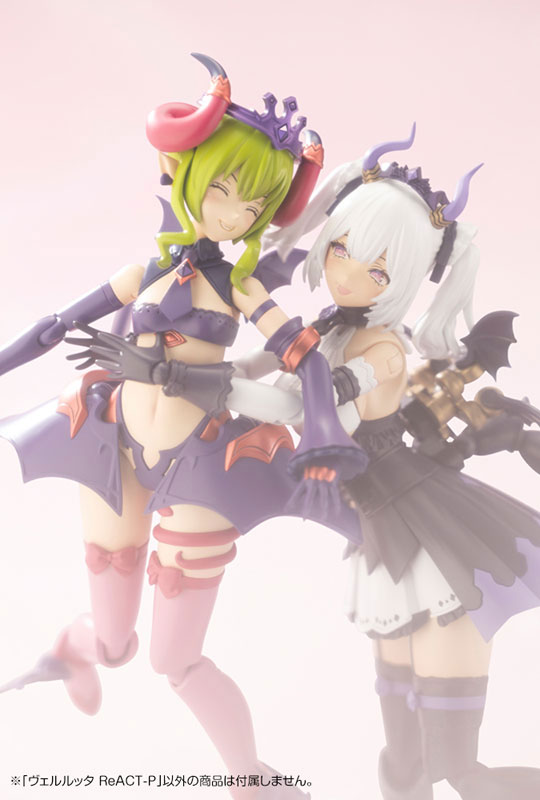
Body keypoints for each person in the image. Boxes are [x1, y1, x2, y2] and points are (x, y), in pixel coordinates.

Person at [0, 54, 363, 800]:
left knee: (176, 661)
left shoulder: (243, 289)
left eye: (251, 205)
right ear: (189, 176)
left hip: (197, 467)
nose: (231, 215)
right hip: (114, 447)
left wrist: (325, 438)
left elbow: (304, 360)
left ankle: (249, 777)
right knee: (115, 643)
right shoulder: (143, 274)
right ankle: (73, 648)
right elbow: (52, 327)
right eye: (222, 191)